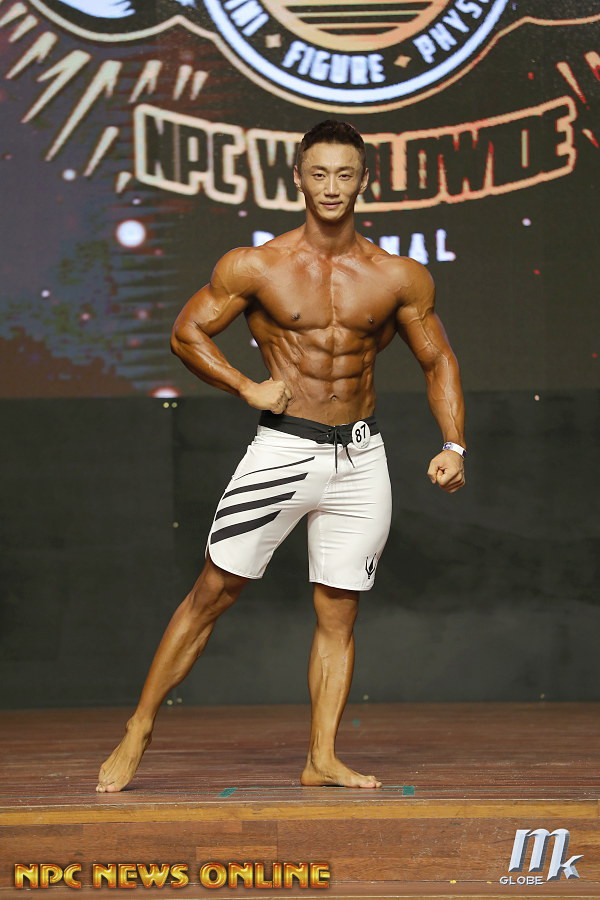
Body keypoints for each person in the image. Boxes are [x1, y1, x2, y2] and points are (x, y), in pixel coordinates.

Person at [96, 119, 466, 793]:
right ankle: (139, 727)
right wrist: (245, 386)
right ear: (298, 178)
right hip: (284, 448)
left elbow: (437, 358)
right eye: (318, 173)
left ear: (363, 181)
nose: (331, 186)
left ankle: (321, 757)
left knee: (339, 613)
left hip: (360, 459)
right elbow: (187, 332)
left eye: (345, 174)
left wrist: (453, 443)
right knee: (213, 592)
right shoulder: (257, 266)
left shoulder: (397, 275)